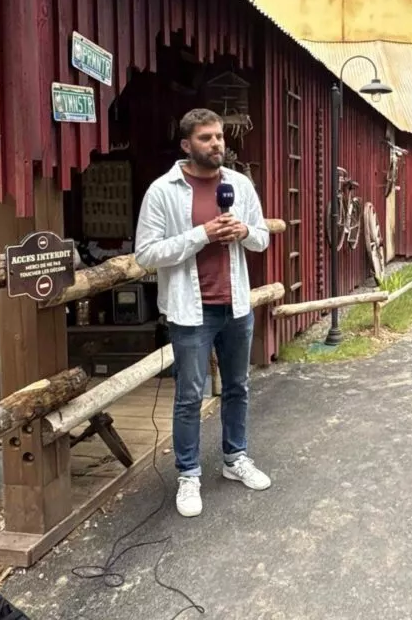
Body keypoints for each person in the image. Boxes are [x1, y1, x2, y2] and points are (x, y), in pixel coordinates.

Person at [135, 108, 272, 518]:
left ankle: (235, 459)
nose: (216, 144)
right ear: (186, 145)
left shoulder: (239, 184)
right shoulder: (163, 191)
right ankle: (189, 474)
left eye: (219, 137)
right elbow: (145, 254)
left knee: (238, 387)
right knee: (190, 395)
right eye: (206, 138)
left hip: (236, 305)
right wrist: (201, 235)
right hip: (189, 310)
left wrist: (243, 232)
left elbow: (262, 239)